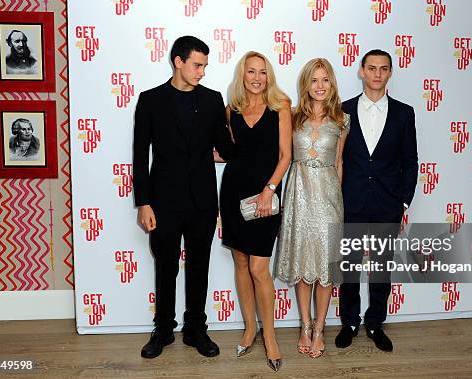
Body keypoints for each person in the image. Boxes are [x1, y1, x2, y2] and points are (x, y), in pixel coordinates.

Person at [133, 36, 235, 359]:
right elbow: (140, 154)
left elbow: (227, 149)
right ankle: (163, 329)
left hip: (203, 201)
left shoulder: (212, 100)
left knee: (199, 266)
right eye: (197, 65)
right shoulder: (150, 100)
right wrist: (143, 202)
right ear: (178, 61)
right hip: (163, 201)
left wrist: (236, 118)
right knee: (165, 266)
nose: (202, 72)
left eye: (205, 66)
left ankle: (195, 330)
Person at [335, 49, 418, 352]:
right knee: (349, 267)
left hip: (387, 205)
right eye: (371, 68)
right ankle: (349, 323)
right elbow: (338, 159)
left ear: (390, 73)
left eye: (384, 69)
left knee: (382, 268)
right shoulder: (341, 110)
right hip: (351, 202)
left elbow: (411, 161)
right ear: (361, 71)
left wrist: (403, 203)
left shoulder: (404, 113)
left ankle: (375, 323)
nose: (377, 74)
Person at [218, 51, 291, 371]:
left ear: (269, 76)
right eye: (251, 72)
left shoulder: (280, 107)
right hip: (233, 193)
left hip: (266, 196)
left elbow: (285, 156)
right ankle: (250, 329)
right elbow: (228, 153)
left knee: (260, 267)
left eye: (263, 72)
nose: (257, 77)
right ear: (242, 75)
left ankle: (270, 336)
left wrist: (268, 190)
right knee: (241, 261)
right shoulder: (231, 109)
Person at [274, 58, 349, 359]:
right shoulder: (291, 117)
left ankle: (320, 328)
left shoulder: (342, 120)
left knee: (325, 270)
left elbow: (339, 162)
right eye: (314, 80)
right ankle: (305, 325)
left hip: (329, 198)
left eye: (325, 80)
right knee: (304, 267)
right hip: (298, 197)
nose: (319, 86)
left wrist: (337, 201)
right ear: (306, 84)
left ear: (331, 84)